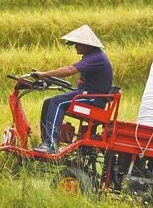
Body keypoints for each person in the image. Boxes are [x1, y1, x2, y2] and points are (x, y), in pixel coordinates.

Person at [31, 24, 113, 154]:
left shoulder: (96, 58)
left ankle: (51, 146)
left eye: (78, 44)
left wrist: (44, 74)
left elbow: (70, 70)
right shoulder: (92, 57)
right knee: (48, 102)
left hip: (93, 100)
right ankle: (46, 142)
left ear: (88, 45)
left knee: (57, 102)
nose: (75, 46)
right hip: (85, 95)